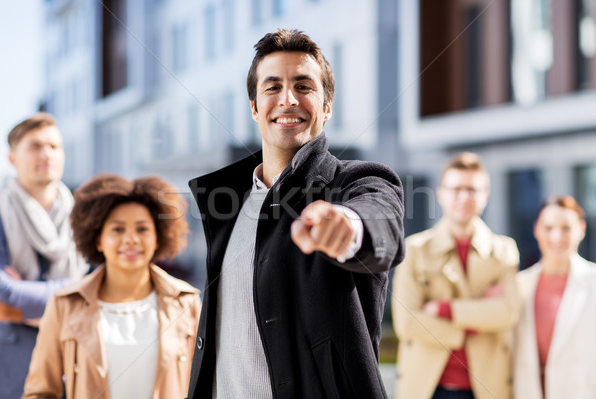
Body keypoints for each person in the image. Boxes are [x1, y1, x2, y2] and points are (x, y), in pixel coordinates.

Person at [186, 29, 405, 398]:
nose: (288, 100)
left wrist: (349, 227)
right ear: (255, 107)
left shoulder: (356, 181)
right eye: (272, 88)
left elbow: (380, 217)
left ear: (327, 105)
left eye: (304, 86)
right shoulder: (227, 204)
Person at [22, 174, 202, 399]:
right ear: (98, 239)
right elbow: (40, 392)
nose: (131, 239)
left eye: (142, 229)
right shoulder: (64, 304)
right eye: (117, 229)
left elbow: (207, 384)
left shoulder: (187, 302)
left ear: (158, 237)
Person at [392, 152, 520, 399]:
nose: (464, 197)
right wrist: (476, 322)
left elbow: (508, 312)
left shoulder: (504, 250)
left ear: (485, 195)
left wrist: (444, 310)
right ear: (440, 194)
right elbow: (406, 323)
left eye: (472, 190)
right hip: (427, 388)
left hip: (485, 387)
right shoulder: (416, 250)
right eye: (456, 189)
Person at [0, 112, 88, 399]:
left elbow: (102, 284)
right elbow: (1, 293)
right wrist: (73, 296)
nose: (47, 154)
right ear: (12, 158)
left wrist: (23, 302)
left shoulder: (84, 214)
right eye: (35, 146)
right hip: (13, 360)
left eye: (54, 146)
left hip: (76, 354)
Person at [514, 196, 596, 399]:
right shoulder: (518, 285)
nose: (557, 237)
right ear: (536, 229)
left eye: (566, 228)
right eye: (548, 228)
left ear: (581, 228)